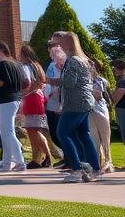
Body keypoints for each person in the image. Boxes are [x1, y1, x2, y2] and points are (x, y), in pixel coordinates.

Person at [47, 31, 100, 182]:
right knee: (84, 134)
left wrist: (50, 81)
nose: (59, 45)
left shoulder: (72, 61)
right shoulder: (83, 60)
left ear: (68, 44)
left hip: (75, 103)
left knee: (62, 132)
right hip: (85, 101)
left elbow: (70, 83)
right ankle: (95, 169)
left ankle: (77, 169)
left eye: (61, 42)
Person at [0, 41, 26, 171]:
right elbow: (23, 82)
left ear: (0, 50)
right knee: (6, 132)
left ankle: (20, 161)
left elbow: (0, 82)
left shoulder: (2, 64)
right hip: (15, 99)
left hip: (5, 100)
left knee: (7, 133)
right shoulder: (15, 64)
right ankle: (6, 162)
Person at [17, 43, 52, 168]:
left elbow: (28, 83)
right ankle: (42, 156)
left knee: (33, 130)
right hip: (36, 97)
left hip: (31, 98)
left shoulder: (27, 67)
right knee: (33, 130)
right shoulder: (37, 66)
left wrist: (22, 94)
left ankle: (41, 157)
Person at [88, 58, 114, 173]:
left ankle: (108, 162)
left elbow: (98, 94)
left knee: (105, 138)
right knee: (94, 139)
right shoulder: (85, 80)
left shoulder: (100, 80)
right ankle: (97, 164)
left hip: (100, 110)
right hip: (90, 111)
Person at [43, 40, 67, 167]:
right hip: (50, 103)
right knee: (54, 133)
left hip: (60, 104)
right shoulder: (51, 65)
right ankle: (66, 156)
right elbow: (48, 81)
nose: (51, 50)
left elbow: (64, 82)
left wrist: (53, 84)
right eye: (50, 48)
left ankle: (70, 158)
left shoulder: (63, 63)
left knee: (60, 132)